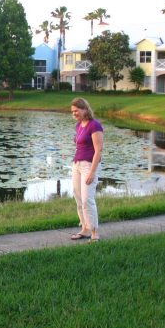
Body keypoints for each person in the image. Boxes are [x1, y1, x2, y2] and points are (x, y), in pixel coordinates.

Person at [69, 98, 104, 242]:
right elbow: (80, 142)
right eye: (72, 111)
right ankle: (85, 229)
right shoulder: (79, 125)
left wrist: (92, 172)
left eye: (76, 110)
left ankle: (95, 233)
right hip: (77, 164)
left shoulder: (94, 125)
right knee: (78, 198)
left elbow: (98, 150)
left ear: (84, 109)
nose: (74, 113)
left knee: (87, 200)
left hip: (89, 166)